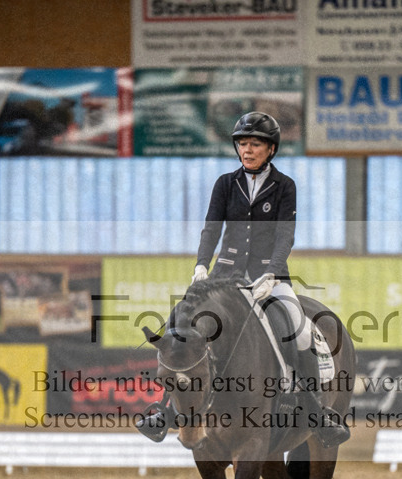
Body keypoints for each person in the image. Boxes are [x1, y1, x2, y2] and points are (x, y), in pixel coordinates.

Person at [138, 111, 349, 448]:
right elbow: (211, 228)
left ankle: (315, 412)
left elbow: (285, 235)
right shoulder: (225, 183)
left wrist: (273, 271)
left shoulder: (285, 187)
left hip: (269, 277)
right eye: (242, 144)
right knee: (179, 322)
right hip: (223, 277)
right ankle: (163, 411)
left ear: (271, 149)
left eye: (255, 144)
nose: (247, 150)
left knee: (298, 328)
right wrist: (201, 266)